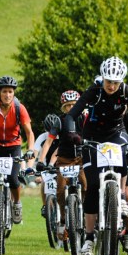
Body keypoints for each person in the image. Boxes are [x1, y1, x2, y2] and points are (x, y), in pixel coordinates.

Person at [64, 56, 128, 255]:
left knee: (121, 154)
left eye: (116, 82)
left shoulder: (126, 91)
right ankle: (89, 238)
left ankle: (120, 197)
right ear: (102, 78)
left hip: (115, 134)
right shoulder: (94, 91)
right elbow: (70, 115)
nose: (111, 86)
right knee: (93, 185)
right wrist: (72, 133)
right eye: (108, 81)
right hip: (92, 137)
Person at [0, 75, 35, 237]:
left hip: (13, 146)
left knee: (13, 179)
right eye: (4, 91)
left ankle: (17, 203)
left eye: (10, 92)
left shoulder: (19, 108)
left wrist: (30, 149)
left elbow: (29, 133)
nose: (8, 95)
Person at [36, 90, 87, 242]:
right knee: (60, 190)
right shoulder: (59, 121)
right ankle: (63, 220)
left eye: (74, 105)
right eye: (68, 106)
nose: (71, 108)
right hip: (64, 159)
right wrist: (41, 160)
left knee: (86, 186)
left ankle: (86, 213)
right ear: (63, 108)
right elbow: (49, 142)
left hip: (82, 158)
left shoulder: (85, 118)